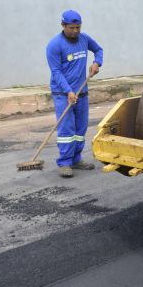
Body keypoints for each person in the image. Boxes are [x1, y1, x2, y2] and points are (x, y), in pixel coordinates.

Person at [46, 10, 103, 178]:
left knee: (80, 129)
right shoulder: (54, 45)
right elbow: (56, 72)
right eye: (71, 28)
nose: (76, 31)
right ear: (63, 25)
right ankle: (64, 162)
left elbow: (98, 49)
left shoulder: (84, 39)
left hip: (82, 92)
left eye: (78, 27)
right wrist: (68, 91)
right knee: (66, 129)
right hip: (63, 94)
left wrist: (96, 62)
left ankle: (76, 159)